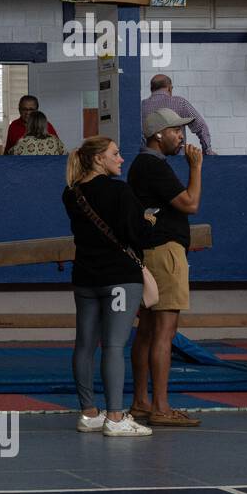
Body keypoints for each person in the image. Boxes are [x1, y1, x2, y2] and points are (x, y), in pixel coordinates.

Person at [62, 137, 153, 437]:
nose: (121, 159)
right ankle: (114, 416)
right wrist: (147, 221)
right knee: (114, 345)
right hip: (119, 278)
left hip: (85, 278)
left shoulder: (71, 194)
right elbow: (135, 234)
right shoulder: (119, 190)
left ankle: (89, 413)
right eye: (116, 153)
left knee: (85, 344)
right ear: (98, 159)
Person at [128, 108, 203, 428]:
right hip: (165, 253)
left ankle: (141, 401)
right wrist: (196, 168)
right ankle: (160, 405)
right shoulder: (155, 166)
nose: (181, 136)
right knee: (164, 331)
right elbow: (190, 204)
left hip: (148, 251)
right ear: (159, 134)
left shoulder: (140, 165)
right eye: (176, 131)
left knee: (145, 330)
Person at [141, 75, 213, 154]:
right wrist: (207, 151)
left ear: (151, 89)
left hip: (150, 158)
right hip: (178, 159)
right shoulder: (180, 102)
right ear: (169, 88)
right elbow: (201, 126)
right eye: (177, 130)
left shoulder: (141, 106)